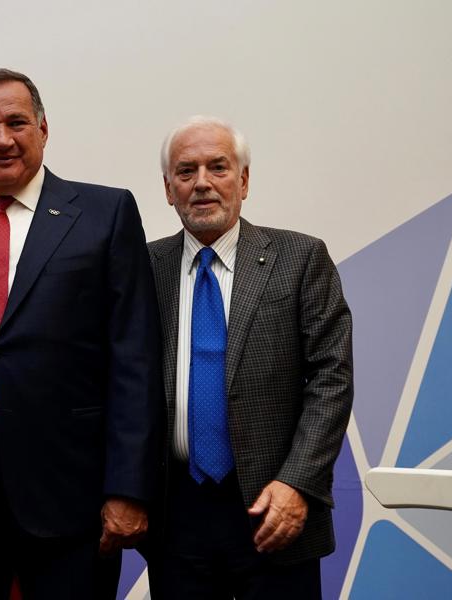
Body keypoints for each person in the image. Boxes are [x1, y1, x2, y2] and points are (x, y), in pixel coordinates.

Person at [0, 68, 162, 598]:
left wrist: (127, 489)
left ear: (44, 128)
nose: (2, 139)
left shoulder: (105, 212)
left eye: (16, 122)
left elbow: (134, 356)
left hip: (74, 498)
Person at [142, 115, 353, 599]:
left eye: (218, 167)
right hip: (176, 515)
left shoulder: (300, 258)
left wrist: (298, 484)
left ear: (244, 180)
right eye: (186, 171)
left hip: (276, 507)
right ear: (168, 188)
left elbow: (331, 380)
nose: (202, 183)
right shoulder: (142, 266)